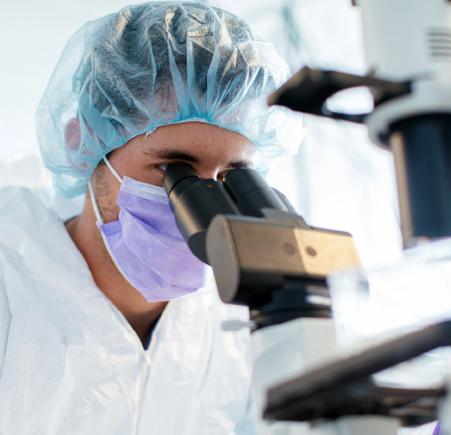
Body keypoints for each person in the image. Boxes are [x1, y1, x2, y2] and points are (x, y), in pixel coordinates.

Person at [0, 2, 304, 434]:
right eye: (171, 169)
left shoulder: (239, 324)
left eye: (233, 177)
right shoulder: (10, 278)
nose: (206, 203)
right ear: (83, 144)